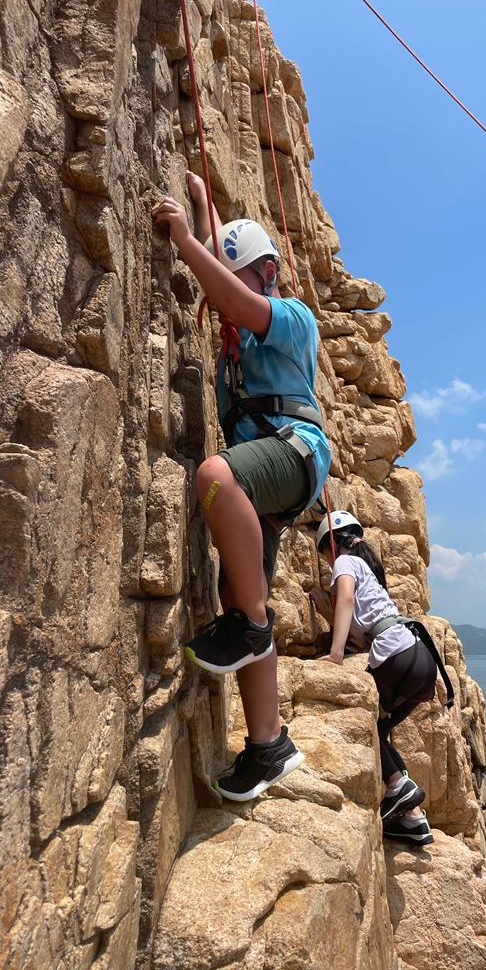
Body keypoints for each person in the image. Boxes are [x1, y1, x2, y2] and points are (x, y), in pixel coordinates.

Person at [152, 173, 332, 802]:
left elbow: (230, 296)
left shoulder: (291, 318)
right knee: (239, 594)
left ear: (271, 272)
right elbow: (222, 281)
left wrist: (183, 238)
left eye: (249, 273)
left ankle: (251, 626)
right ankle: (267, 746)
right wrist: (205, 212)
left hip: (298, 453)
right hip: (271, 478)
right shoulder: (238, 340)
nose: (238, 286)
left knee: (213, 474)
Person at [315, 510, 454, 846]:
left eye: (324, 554)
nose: (327, 561)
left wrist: (335, 654)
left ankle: (398, 786)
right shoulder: (370, 570)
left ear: (331, 545)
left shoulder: (345, 562)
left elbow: (346, 599)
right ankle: (413, 819)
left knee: (371, 729)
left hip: (397, 655)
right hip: (420, 658)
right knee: (381, 730)